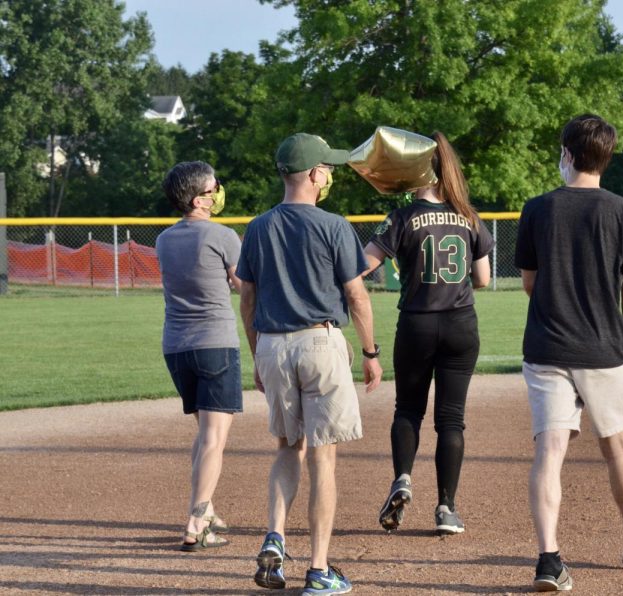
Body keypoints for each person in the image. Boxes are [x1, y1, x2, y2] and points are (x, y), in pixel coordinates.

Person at [514, 114, 623, 592]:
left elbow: (529, 282)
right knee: (618, 447)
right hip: (606, 349)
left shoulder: (537, 209)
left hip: (546, 346)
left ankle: (548, 560)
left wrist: (555, 307)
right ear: (606, 158)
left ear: (567, 155)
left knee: (550, 449)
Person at [237, 133, 382, 595]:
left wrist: (257, 352)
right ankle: (319, 571)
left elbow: (248, 296)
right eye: (329, 167)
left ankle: (275, 538)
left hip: (273, 345)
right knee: (324, 458)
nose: (331, 174)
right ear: (316, 174)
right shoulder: (335, 225)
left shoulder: (258, 227)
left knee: (286, 447)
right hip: (320, 343)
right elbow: (356, 295)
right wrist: (371, 352)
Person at [363, 132, 494, 535]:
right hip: (460, 325)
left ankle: (402, 479)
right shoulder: (469, 216)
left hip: (418, 323)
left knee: (408, 410)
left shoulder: (402, 218)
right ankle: (446, 508)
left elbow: (363, 264)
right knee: (451, 420)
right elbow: (484, 279)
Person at [157, 161, 243, 552]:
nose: (218, 192)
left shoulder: (164, 239)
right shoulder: (223, 235)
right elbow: (244, 286)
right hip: (215, 342)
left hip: (176, 346)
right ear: (199, 200)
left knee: (204, 435)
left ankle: (205, 510)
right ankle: (197, 520)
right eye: (213, 188)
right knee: (214, 439)